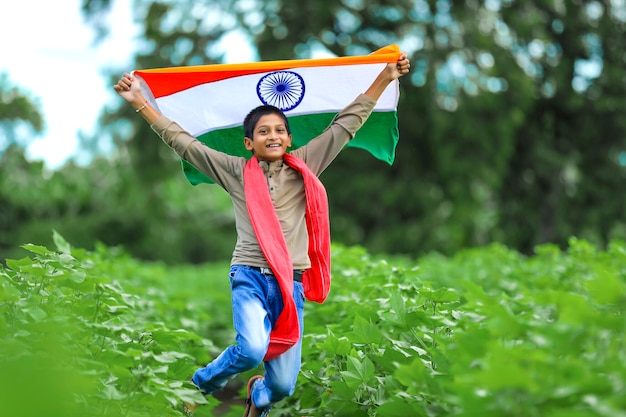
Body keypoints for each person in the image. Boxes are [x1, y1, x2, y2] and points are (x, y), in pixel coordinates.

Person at [114, 52, 410, 417]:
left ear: (288, 137)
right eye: (263, 131)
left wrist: (385, 76)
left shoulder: (306, 166)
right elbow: (184, 142)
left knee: (283, 386)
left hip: (291, 284)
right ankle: (197, 387)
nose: (273, 135)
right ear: (248, 143)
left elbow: (345, 125)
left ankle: (258, 395)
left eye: (279, 130)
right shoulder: (236, 171)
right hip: (249, 276)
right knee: (252, 349)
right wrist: (141, 103)